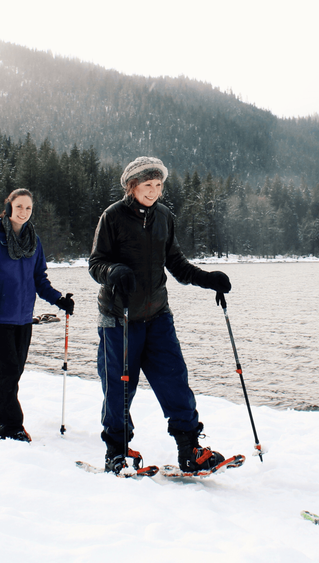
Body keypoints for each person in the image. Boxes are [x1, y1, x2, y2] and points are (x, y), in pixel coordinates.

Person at [89, 156, 233, 474]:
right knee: (119, 388)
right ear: (132, 186)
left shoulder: (164, 217)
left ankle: (189, 449)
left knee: (175, 381)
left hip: (157, 315)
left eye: (158, 185)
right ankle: (116, 450)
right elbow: (96, 263)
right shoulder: (112, 217)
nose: (154, 192)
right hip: (119, 317)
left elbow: (177, 264)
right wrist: (114, 271)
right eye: (147, 185)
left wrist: (208, 279)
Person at [0, 188, 74, 441]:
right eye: (19, 207)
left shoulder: (33, 241)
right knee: (5, 374)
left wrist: (59, 299)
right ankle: (11, 425)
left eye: (28, 208)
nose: (24, 212)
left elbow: (39, 280)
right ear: (8, 208)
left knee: (12, 374)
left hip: (23, 319)